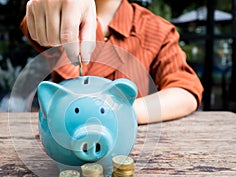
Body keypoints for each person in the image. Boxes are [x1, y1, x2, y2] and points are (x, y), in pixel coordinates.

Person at [20, 0, 204, 124]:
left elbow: (185, 91)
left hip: (129, 149)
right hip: (64, 145)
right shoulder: (62, 16)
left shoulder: (156, 29)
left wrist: (118, 111)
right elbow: (37, 27)